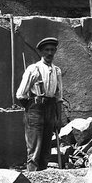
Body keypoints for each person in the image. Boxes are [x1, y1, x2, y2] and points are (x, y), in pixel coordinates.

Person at [15, 37, 63, 171]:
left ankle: (43, 179)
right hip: (35, 110)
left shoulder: (57, 71)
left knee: (46, 149)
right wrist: (32, 108)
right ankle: (33, 180)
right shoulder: (34, 69)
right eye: (46, 50)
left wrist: (58, 118)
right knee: (34, 149)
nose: (49, 53)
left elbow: (58, 97)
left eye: (52, 50)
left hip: (51, 109)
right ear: (41, 52)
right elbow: (20, 94)